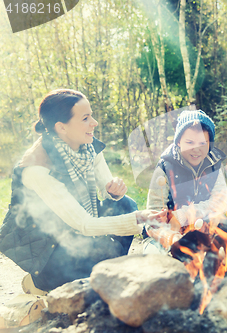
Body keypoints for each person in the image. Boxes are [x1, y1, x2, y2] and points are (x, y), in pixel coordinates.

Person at [0, 89, 165, 294]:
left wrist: (114, 191)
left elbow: (109, 192)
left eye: (92, 115)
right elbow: (84, 224)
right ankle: (40, 284)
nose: (94, 123)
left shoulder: (87, 147)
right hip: (47, 251)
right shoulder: (37, 169)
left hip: (73, 231)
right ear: (61, 127)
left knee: (125, 205)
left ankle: (106, 270)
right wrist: (139, 219)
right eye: (86, 118)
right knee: (89, 276)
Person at [144, 110, 227, 252]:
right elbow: (153, 215)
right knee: (154, 256)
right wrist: (172, 237)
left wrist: (183, 215)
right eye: (189, 142)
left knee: (225, 251)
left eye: (203, 143)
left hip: (203, 229)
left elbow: (220, 203)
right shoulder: (165, 168)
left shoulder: (214, 165)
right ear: (178, 141)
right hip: (168, 233)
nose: (196, 149)